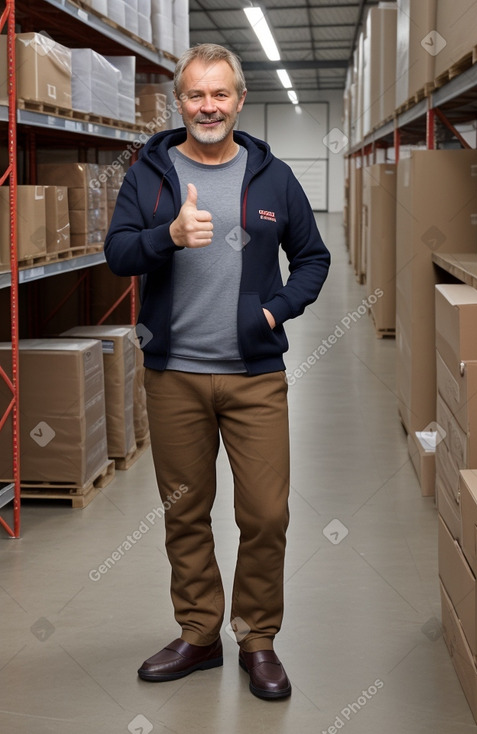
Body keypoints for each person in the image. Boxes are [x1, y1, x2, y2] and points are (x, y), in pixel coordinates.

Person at [104, 42, 331, 701]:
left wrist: (272, 313)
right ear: (180, 102)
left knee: (265, 513)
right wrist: (166, 237)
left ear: (239, 100)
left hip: (254, 375)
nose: (208, 105)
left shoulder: (274, 177)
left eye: (220, 93)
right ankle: (200, 634)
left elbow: (312, 259)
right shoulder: (147, 172)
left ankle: (256, 639)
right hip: (172, 372)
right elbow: (117, 253)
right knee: (185, 511)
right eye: (195, 94)